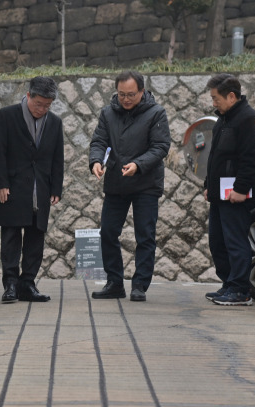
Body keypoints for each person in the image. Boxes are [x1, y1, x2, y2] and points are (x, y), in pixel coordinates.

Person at [88, 70, 171, 302]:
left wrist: (138, 164)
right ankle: (114, 282)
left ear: (142, 92)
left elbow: (161, 146)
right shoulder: (107, 113)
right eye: (122, 94)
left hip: (146, 183)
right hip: (116, 181)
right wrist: (95, 161)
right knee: (108, 232)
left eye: (131, 94)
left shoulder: (156, 113)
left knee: (145, 235)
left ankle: (140, 285)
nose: (126, 99)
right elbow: (99, 141)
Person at [0, 77, 64, 303]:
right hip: (12, 187)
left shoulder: (54, 123)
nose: (42, 109)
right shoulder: (6, 116)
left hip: (40, 189)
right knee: (11, 237)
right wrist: (0, 184)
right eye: (39, 104)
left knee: (36, 238)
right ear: (28, 95)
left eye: (47, 105)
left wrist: (56, 188)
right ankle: (10, 284)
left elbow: (56, 158)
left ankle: (28, 283)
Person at [203, 73, 255, 306]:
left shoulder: (248, 119)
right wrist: (208, 186)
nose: (213, 103)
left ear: (231, 96)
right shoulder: (223, 120)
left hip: (236, 195)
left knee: (236, 241)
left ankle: (240, 289)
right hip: (220, 194)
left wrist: (240, 189)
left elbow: (250, 160)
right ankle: (229, 283)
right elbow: (215, 158)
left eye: (216, 98)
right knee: (218, 241)